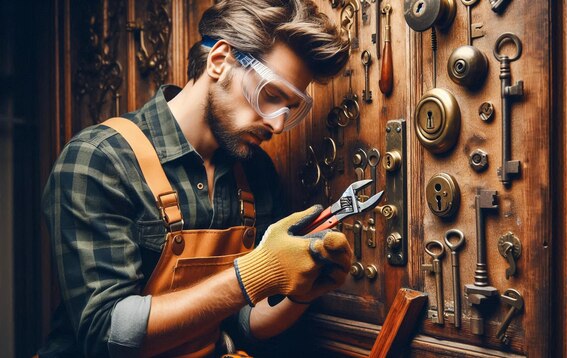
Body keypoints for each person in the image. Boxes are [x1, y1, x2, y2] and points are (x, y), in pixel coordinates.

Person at [38, 0, 352, 356]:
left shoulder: (255, 172)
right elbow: (107, 334)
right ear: (219, 61)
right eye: (271, 96)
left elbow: (244, 322)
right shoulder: (100, 160)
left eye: (290, 108)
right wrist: (254, 272)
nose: (278, 124)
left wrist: (300, 293)